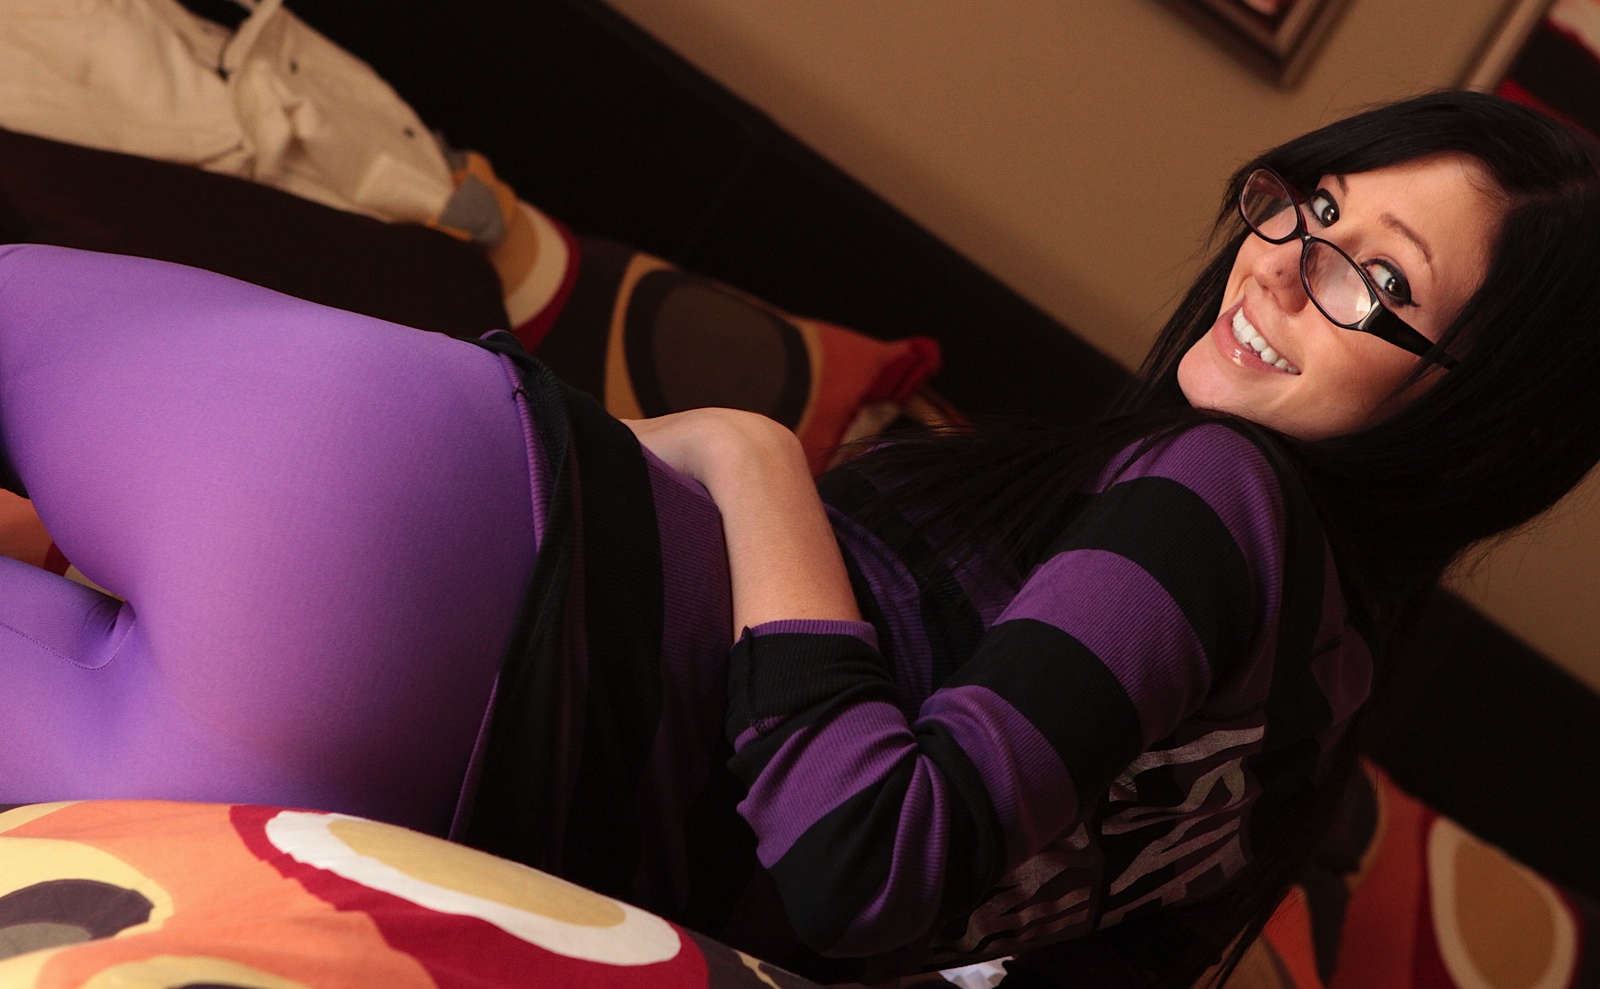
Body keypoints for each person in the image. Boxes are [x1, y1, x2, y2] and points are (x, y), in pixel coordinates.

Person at [1, 89, 1597, 988]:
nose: (1282, 263)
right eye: (1311, 203)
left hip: (432, 519)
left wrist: (759, 458)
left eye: (1377, 278)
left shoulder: (1222, 496)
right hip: (438, 781)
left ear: (1485, 417)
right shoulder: (1287, 768)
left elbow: (859, 857)